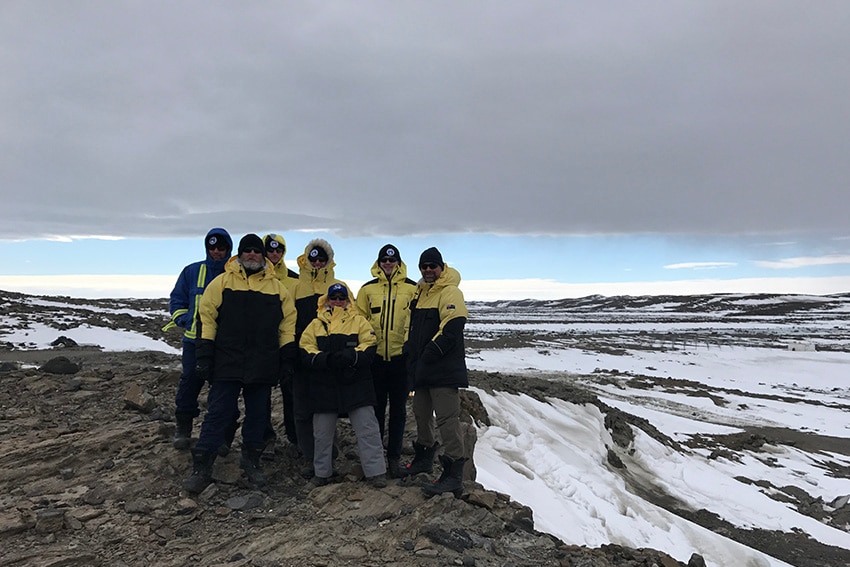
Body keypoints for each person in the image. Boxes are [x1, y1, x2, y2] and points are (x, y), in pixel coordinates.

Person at [182, 234, 297, 494]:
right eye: (247, 251)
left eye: (257, 251)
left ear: (263, 256)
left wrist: (286, 359)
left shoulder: (277, 288)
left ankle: (251, 461)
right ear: (240, 255)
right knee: (218, 413)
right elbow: (207, 319)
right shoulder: (221, 283)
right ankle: (202, 467)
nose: (252, 255)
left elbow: (287, 326)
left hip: (263, 363)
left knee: (258, 416)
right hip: (227, 361)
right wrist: (204, 356)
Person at [300, 283, 386, 487]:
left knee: (368, 429)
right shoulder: (315, 324)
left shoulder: (360, 321)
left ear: (348, 300)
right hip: (325, 385)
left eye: (342, 297)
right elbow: (305, 347)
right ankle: (322, 473)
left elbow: (369, 344)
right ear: (327, 300)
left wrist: (351, 357)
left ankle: (376, 472)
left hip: (355, 383)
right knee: (321, 433)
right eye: (334, 297)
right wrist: (324, 360)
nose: (338, 301)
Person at [402, 247, 470, 498]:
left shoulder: (450, 291)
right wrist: (411, 355)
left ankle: (453, 475)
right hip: (422, 370)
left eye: (433, 266)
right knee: (421, 413)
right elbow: (414, 330)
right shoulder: (420, 293)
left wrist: (429, 353)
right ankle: (423, 459)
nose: (428, 270)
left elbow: (452, 328)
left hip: (443, 370)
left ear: (441, 267)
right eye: (424, 266)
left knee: (447, 420)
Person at [162, 228, 233, 450]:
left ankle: (222, 436)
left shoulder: (235, 274)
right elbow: (177, 299)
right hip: (194, 341)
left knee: (223, 389)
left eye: (221, 248)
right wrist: (183, 319)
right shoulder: (192, 271)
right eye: (212, 247)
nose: (216, 252)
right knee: (189, 383)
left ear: (228, 249)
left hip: (225, 344)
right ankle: (183, 427)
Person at [355, 244, 417, 478]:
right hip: (376, 360)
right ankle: (375, 459)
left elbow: (415, 322)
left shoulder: (412, 289)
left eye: (392, 260)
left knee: (399, 412)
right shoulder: (367, 290)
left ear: (399, 263)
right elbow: (359, 321)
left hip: (401, 360)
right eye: (384, 260)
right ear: (379, 263)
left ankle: (394, 459)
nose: (388, 264)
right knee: (376, 411)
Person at [291, 239, 346, 474]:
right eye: (313, 258)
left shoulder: (337, 286)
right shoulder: (295, 286)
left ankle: (328, 454)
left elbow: (350, 317)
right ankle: (310, 456)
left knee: (327, 407)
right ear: (306, 258)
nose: (317, 263)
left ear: (328, 261)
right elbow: (286, 319)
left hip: (328, 359)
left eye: (321, 259)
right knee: (302, 410)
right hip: (300, 357)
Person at [262, 233, 300, 447]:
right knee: (262, 394)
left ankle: (295, 437)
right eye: (271, 250)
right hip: (263, 344)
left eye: (279, 250)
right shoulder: (255, 276)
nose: (275, 254)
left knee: (291, 392)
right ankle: (266, 437)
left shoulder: (294, 280)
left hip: (287, 343)